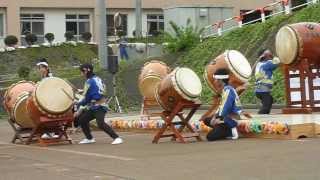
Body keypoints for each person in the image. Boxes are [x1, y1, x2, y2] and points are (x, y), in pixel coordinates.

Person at [75, 63, 123, 145]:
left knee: (100, 123)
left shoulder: (89, 81)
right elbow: (97, 91)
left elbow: (89, 98)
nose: (81, 73)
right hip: (96, 105)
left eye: (82, 71)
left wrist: (78, 103)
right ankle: (89, 138)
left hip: (99, 106)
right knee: (82, 120)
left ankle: (117, 137)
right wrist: (84, 93)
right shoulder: (97, 78)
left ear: (86, 70)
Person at [203, 68, 242, 141]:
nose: (214, 82)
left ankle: (228, 131)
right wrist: (215, 117)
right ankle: (220, 129)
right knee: (206, 120)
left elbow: (226, 108)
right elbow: (221, 107)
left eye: (216, 80)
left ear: (220, 81)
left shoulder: (228, 90)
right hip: (225, 118)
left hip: (230, 120)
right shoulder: (226, 89)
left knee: (210, 137)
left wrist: (219, 119)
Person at [36, 58, 59, 139]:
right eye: (39, 68)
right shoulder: (43, 77)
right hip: (47, 100)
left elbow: (52, 87)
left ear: (46, 68)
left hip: (52, 99)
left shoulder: (50, 76)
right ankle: (50, 132)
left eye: (41, 67)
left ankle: (55, 132)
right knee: (45, 114)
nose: (40, 69)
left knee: (51, 115)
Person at [254, 49, 280, 114]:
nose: (270, 55)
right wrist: (272, 56)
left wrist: (273, 82)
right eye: (269, 54)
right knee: (266, 106)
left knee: (270, 100)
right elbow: (277, 61)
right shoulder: (266, 64)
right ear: (264, 56)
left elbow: (264, 77)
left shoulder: (259, 64)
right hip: (263, 90)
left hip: (259, 90)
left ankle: (265, 115)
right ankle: (259, 117)